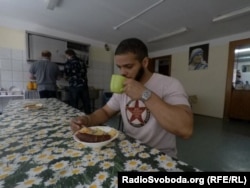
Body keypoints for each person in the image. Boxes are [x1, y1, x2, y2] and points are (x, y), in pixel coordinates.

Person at [70, 38, 193, 158]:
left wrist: (145, 94)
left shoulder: (169, 84)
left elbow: (185, 129)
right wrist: (87, 120)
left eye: (128, 66)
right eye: (119, 67)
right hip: (130, 149)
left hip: (161, 155)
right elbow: (106, 111)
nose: (122, 72)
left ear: (145, 62)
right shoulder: (124, 85)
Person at [64, 49, 91, 114]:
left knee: (74, 104)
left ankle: (75, 119)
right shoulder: (82, 61)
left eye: (66, 55)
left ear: (68, 55)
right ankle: (90, 118)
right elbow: (85, 72)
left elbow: (66, 75)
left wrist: (67, 78)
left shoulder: (68, 63)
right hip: (84, 85)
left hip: (74, 86)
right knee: (86, 103)